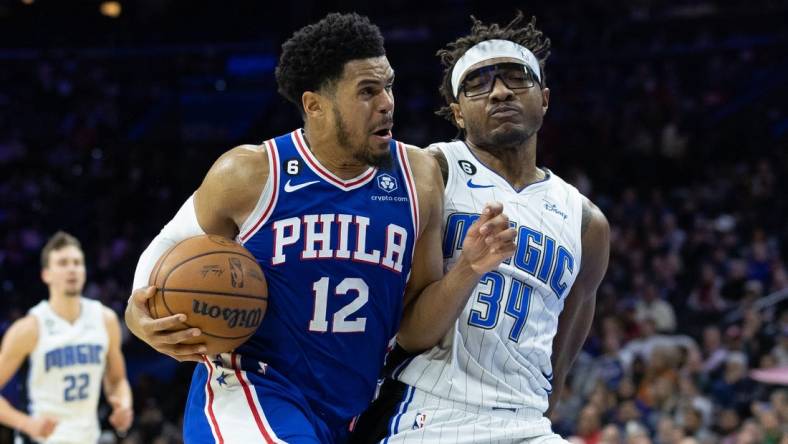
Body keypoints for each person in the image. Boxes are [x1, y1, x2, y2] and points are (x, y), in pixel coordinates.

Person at [124, 13, 516, 444]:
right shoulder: (252, 172)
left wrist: (468, 269)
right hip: (251, 391)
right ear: (314, 105)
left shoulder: (418, 176)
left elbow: (415, 329)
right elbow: (167, 246)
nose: (387, 103)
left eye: (388, 86)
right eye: (367, 91)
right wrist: (138, 315)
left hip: (351, 409)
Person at [349, 12, 610, 443]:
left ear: (544, 98)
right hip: (428, 412)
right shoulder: (430, 169)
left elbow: (558, 364)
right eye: (477, 84)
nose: (500, 92)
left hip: (525, 423)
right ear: (458, 113)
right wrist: (469, 267)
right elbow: (411, 332)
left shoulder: (587, 223)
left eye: (515, 78)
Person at [0, 231, 133, 443]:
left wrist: (124, 404)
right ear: (46, 274)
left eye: (77, 262)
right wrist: (27, 424)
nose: (72, 269)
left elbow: (116, 380)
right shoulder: (29, 328)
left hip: (88, 437)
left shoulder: (105, 319)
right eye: (62, 263)